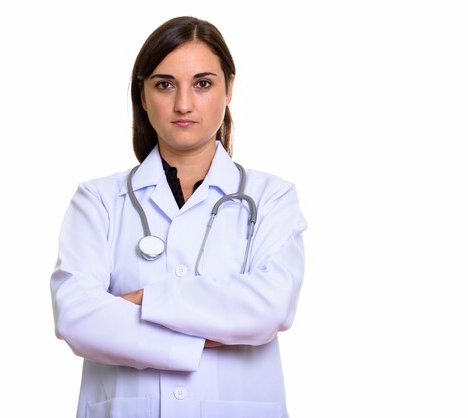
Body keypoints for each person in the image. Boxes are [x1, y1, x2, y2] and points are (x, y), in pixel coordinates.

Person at [50, 16, 307, 418]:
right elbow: (77, 317)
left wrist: (143, 301)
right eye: (165, 84)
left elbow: (269, 306)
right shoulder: (97, 200)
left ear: (229, 89)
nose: (183, 103)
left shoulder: (271, 197)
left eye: (202, 84)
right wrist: (205, 334)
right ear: (143, 93)